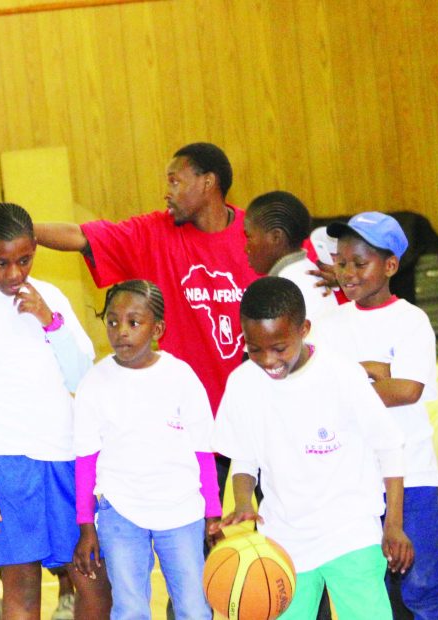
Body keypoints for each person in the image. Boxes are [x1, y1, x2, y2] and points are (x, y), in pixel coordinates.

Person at [0, 202, 111, 620]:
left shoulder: (53, 296)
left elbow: (83, 378)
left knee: (94, 578)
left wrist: (52, 321)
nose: (13, 274)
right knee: (22, 589)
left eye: (24, 260)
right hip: (3, 464)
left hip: (65, 458)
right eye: (1, 263)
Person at [210, 276, 412, 619]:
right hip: (284, 540)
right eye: (254, 348)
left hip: (351, 531)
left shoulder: (341, 374)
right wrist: (243, 501)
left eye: (279, 348)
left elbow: (390, 447)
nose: (267, 359)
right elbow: (243, 460)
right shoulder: (242, 383)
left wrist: (393, 523)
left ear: (304, 329)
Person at [33, 143, 258, 418]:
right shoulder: (153, 234)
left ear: (208, 183)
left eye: (175, 182)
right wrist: (19, 231)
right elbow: (81, 237)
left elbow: (308, 269)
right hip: (188, 418)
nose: (167, 193)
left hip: (255, 415)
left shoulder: (258, 235)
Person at [326, 212, 438, 619]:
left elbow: (406, 389)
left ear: (391, 266)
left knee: (423, 585)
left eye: (359, 263)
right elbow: (319, 393)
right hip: (353, 481)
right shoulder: (329, 326)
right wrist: (372, 372)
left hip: (411, 477)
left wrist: (351, 382)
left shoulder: (411, 321)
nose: (347, 273)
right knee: (371, 590)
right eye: (341, 263)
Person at [71, 279, 219, 619]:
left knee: (195, 608)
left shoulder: (181, 377)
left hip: (181, 511)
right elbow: (86, 460)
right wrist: (86, 526)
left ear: (158, 328)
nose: (121, 331)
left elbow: (202, 451)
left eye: (133, 322)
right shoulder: (94, 383)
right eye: (112, 321)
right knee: (129, 608)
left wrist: (212, 512)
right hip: (120, 511)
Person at [244, 191, 340, 337]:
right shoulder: (306, 271)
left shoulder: (282, 289)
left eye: (249, 236)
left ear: (276, 237)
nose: (246, 248)